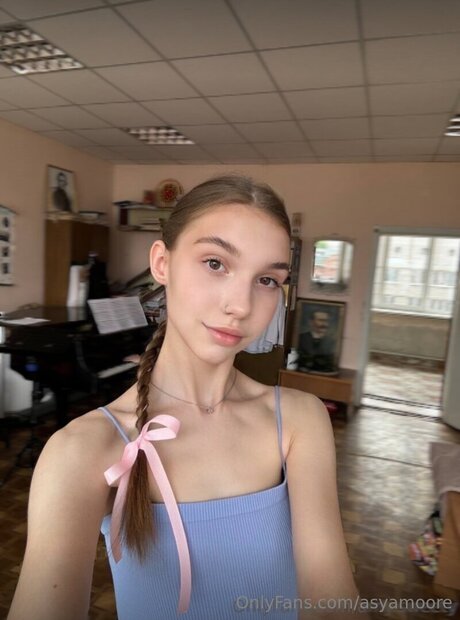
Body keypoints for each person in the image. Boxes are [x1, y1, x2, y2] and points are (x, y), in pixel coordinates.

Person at [8, 175, 364, 620]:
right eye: (215, 263)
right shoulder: (80, 451)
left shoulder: (299, 418)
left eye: (267, 280)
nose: (241, 305)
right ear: (162, 262)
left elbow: (331, 600)